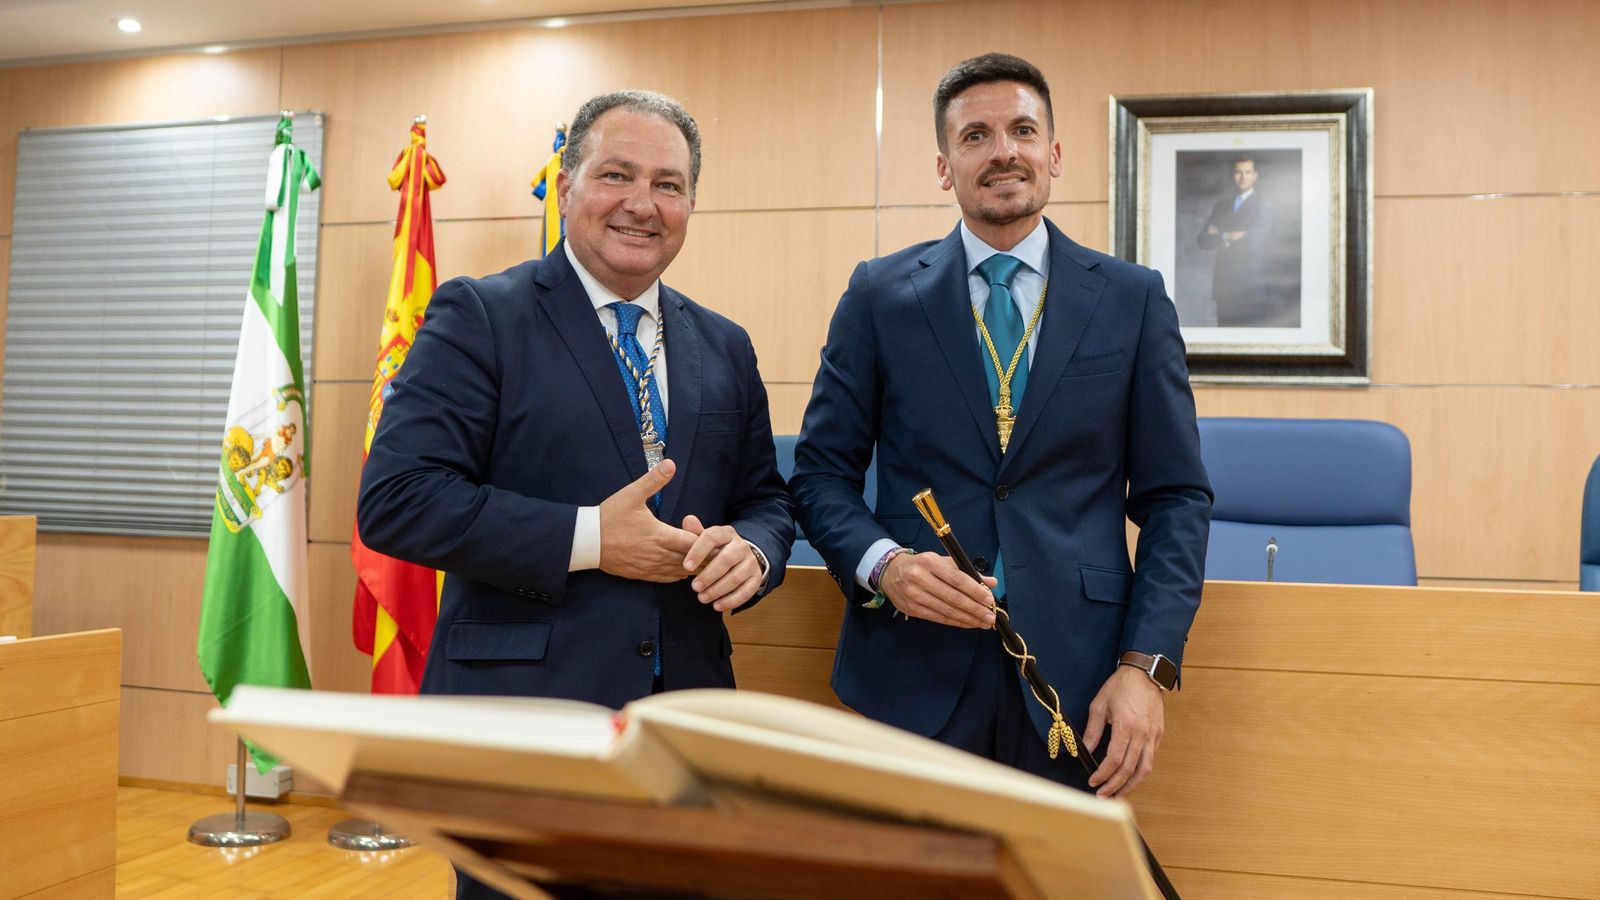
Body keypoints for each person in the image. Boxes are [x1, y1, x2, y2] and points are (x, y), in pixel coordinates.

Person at [358, 90, 794, 899]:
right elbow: (399, 499)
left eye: (668, 184)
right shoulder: (480, 315)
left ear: (691, 204)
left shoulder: (725, 344)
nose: (642, 204)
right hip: (524, 721)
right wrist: (592, 538)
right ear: (566, 186)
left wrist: (754, 552)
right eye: (616, 175)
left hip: (686, 721)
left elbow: (766, 498)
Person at [791, 53, 1211, 800]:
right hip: (909, 669)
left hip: (1078, 678)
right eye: (975, 136)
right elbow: (821, 475)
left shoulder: (1132, 299)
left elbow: (1176, 498)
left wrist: (1146, 666)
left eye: (1022, 130)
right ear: (944, 167)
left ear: (1055, 154)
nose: (1003, 151)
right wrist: (886, 566)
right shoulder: (879, 296)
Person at [1197, 156, 1275, 325]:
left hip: (1250, 286)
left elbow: (1254, 241)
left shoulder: (1263, 205)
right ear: (1233, 175)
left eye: (1247, 172)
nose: (1243, 177)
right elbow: (1203, 240)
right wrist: (1232, 235)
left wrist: (1220, 234)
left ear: (1255, 176)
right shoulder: (1221, 206)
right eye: (1238, 172)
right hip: (1224, 287)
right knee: (1225, 335)